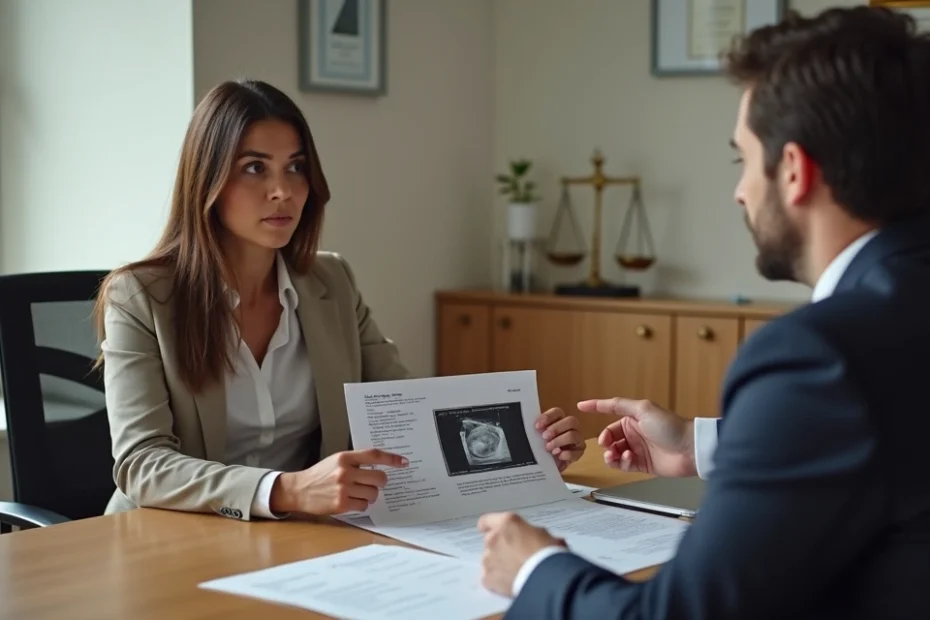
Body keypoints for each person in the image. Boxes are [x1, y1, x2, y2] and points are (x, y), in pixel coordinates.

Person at [478, 7, 930, 618]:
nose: (739, 191)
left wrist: (533, 568)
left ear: (793, 171)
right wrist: (697, 448)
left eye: (742, 160)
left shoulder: (821, 354)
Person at [95, 79, 586, 522]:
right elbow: (143, 464)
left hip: (306, 537)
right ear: (207, 181)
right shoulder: (141, 296)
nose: (282, 191)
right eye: (254, 168)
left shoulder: (331, 281)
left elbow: (406, 412)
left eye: (296, 168)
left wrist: (525, 450)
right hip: (169, 537)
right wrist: (284, 490)